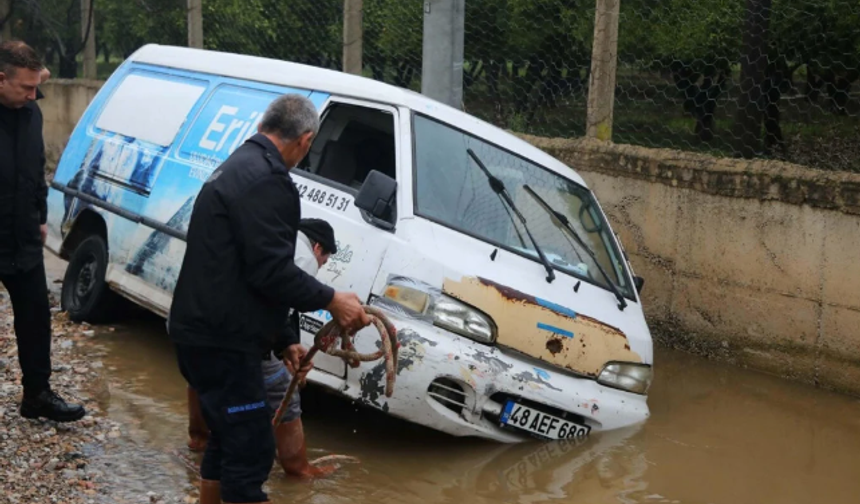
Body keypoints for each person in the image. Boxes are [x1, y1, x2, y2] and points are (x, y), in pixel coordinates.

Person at [168, 94, 370, 504]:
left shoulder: (236, 165)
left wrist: (282, 340)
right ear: (305, 140)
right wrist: (333, 300)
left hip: (199, 332)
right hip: (224, 342)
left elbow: (246, 267)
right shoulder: (270, 180)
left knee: (225, 440)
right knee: (252, 449)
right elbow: (271, 272)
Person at [186, 217, 343, 479]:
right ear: (318, 248)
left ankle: (198, 441)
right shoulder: (304, 257)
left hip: (206, 320)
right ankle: (298, 469)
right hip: (246, 332)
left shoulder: (274, 238)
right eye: (324, 261)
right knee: (285, 396)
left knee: (205, 381)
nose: (320, 266)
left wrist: (288, 344)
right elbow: (278, 306)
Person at [0, 40, 86, 423]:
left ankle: (37, 395)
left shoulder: (30, 111)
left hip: (22, 237)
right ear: (1, 80)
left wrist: (39, 216)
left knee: (35, 317)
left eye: (37, 87)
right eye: (26, 88)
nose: (36, 95)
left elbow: (36, 169)